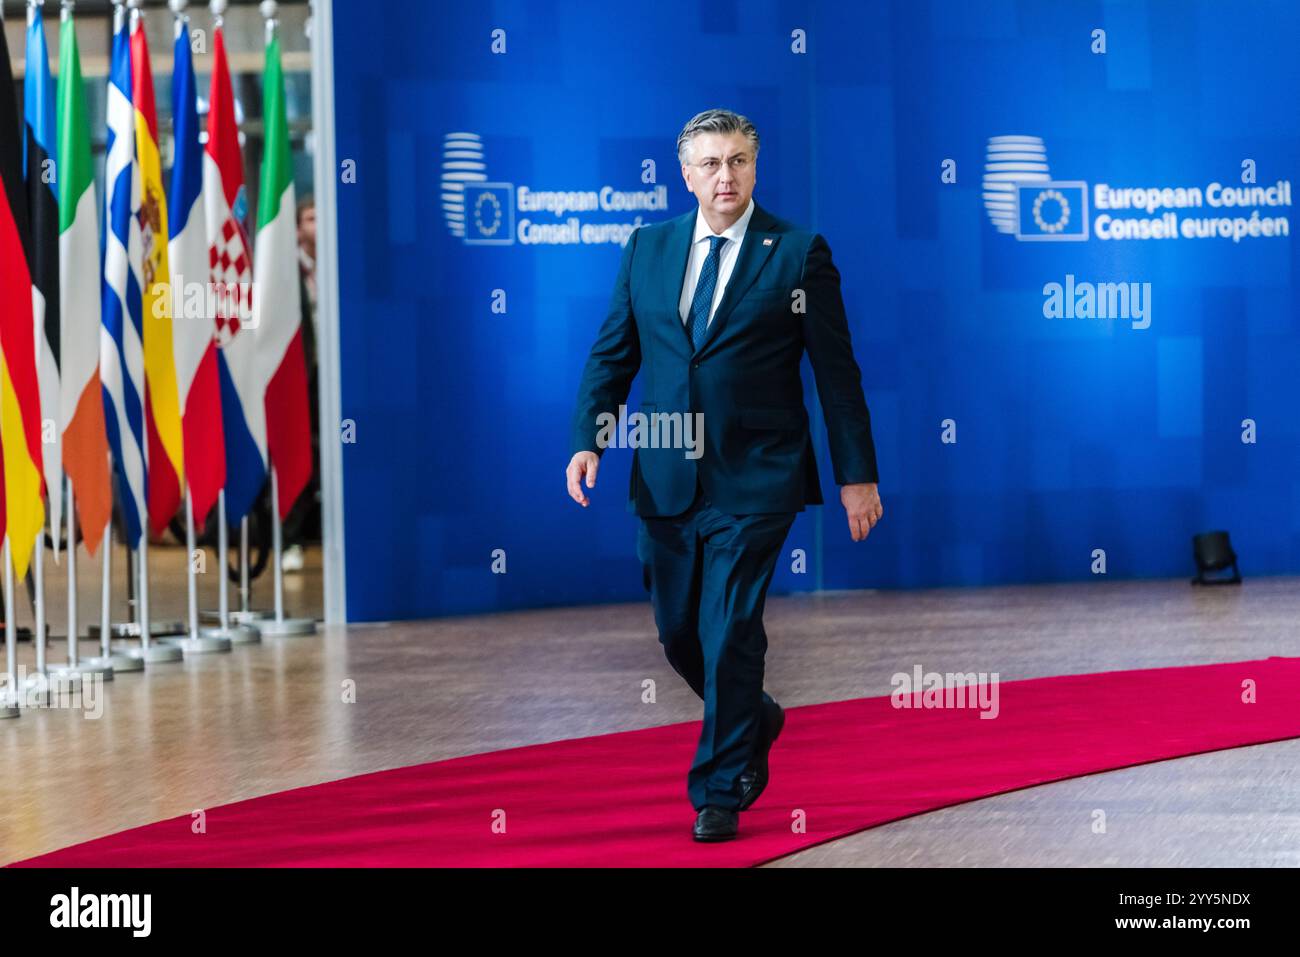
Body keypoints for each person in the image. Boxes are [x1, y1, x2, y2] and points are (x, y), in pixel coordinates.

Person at [566, 109, 883, 842]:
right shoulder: (647, 247)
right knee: (680, 630)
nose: (725, 176)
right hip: (667, 470)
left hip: (759, 473)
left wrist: (856, 473)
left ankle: (722, 787)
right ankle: (755, 714)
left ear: (755, 166)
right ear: (686, 175)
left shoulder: (799, 252)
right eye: (710, 163)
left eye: (738, 160)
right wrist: (591, 438)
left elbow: (837, 374)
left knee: (731, 626)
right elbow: (614, 353)